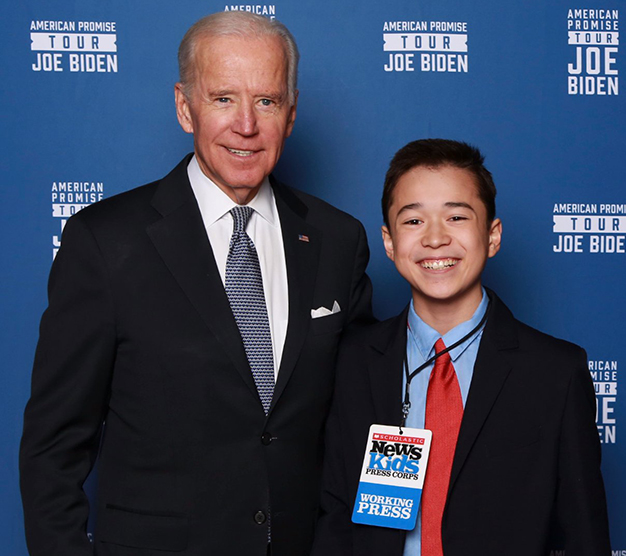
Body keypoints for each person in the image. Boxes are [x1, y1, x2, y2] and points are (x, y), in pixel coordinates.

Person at [20, 11, 372, 556]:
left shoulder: (337, 239)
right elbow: (53, 447)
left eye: (268, 101)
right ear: (185, 107)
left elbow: (358, 422)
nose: (247, 125)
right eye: (224, 98)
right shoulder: (105, 242)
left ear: (292, 113)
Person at [312, 139, 610, 556]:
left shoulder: (554, 373)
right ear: (389, 242)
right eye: (413, 221)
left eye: (456, 217)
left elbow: (583, 537)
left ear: (492, 235)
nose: (435, 239)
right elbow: (336, 519)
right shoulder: (353, 361)